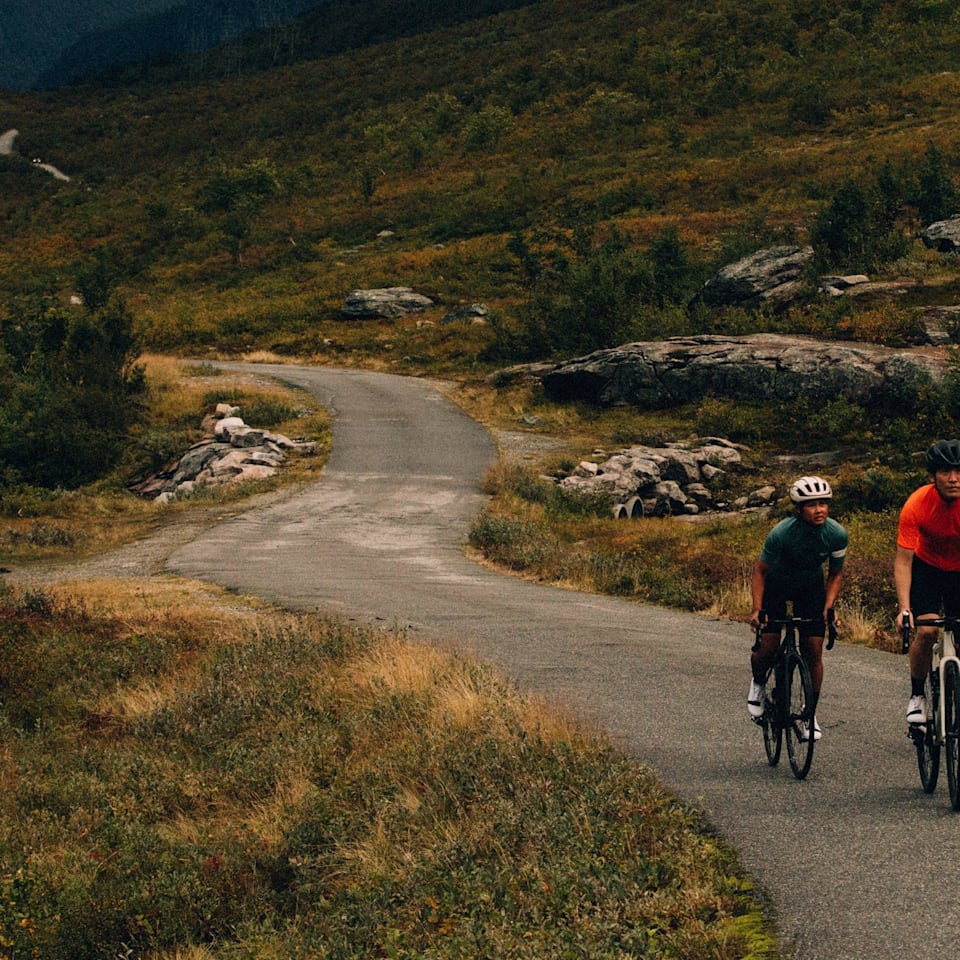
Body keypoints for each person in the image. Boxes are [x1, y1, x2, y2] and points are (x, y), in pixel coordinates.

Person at [747, 475, 848, 741]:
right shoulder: (782, 533)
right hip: (777, 585)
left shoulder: (836, 534)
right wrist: (757, 609)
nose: (820, 510)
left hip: (810, 588)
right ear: (800, 509)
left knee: (813, 649)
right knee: (767, 646)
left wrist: (829, 606)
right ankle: (758, 684)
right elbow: (760, 571)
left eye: (823, 503)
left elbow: (836, 573)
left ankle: (809, 712)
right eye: (812, 505)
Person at [894, 439, 960, 725]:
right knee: (926, 632)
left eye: (959, 471)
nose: (954, 478)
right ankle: (917, 695)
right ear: (933, 476)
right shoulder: (918, 504)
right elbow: (904, 562)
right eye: (945, 471)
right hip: (928, 569)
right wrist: (904, 608)